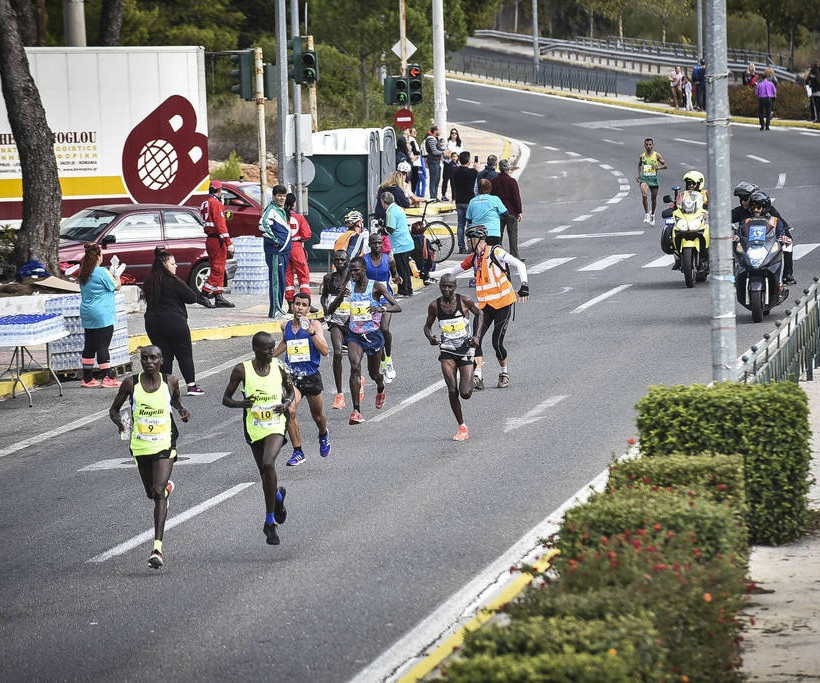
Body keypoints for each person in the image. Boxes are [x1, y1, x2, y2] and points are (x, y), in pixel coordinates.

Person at [109, 345, 190, 568]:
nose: (149, 362)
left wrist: (182, 411)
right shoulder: (130, 384)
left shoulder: (171, 381)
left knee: (158, 492)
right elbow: (113, 410)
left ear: (161, 360)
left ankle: (157, 549)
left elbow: (175, 401)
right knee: (151, 493)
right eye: (145, 358)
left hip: (164, 443)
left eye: (154, 358)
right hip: (140, 446)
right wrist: (120, 422)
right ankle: (166, 489)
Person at [222, 331, 294, 546]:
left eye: (273, 348)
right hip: (254, 426)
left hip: (276, 423)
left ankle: (270, 522)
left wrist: (286, 404)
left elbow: (291, 392)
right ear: (255, 349)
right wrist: (241, 404)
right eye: (267, 349)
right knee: (265, 474)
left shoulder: (279, 368)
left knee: (268, 462)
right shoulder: (241, 370)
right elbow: (226, 399)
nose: (271, 352)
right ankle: (277, 497)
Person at [438, 225, 529, 390]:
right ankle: (478, 376)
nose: (467, 242)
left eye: (470, 239)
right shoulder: (474, 258)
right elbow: (452, 271)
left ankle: (504, 372)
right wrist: (427, 274)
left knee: (497, 342)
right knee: (475, 340)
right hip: (484, 307)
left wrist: (524, 285)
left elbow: (519, 264)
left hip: (503, 304)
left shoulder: (496, 252)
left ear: (478, 239)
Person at [326, 257, 400, 424]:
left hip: (373, 335)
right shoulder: (348, 287)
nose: (352, 274)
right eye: (351, 270)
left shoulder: (376, 287)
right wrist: (339, 297)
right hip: (355, 335)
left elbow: (397, 306)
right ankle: (356, 411)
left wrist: (380, 308)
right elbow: (330, 311)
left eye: (356, 270)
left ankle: (380, 387)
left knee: (374, 374)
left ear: (364, 270)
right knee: (354, 367)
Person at [272, 292, 330, 467]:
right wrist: (269, 356)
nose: (300, 308)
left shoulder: (315, 325)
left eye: (304, 305)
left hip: (311, 376)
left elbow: (325, 351)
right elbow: (285, 342)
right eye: (297, 304)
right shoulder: (285, 326)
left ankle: (323, 433)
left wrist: (311, 333)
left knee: (317, 417)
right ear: (292, 306)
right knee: (290, 410)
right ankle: (298, 452)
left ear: (308, 308)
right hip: (292, 377)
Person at [423, 274, 483, 441]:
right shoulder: (434, 306)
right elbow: (427, 326)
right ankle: (462, 426)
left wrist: (477, 336)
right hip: (447, 351)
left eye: (450, 286)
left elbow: (480, 314)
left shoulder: (464, 301)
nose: (446, 289)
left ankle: (473, 369)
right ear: (440, 286)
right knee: (452, 389)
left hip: (465, 350)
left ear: (455, 287)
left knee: (465, 393)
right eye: (444, 286)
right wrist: (431, 338)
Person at [142, 247, 204, 397]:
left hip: (153, 323)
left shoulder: (148, 281)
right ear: (165, 265)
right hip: (174, 322)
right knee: (184, 354)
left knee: (164, 356)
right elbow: (192, 297)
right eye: (173, 263)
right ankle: (191, 386)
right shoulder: (173, 281)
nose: (175, 266)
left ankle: (164, 387)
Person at [77, 242, 122, 388]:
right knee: (103, 345)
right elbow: (117, 286)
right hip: (102, 313)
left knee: (89, 345)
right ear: (97, 256)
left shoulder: (83, 272)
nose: (102, 257)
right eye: (101, 254)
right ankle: (107, 377)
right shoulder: (102, 271)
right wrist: (117, 274)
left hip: (87, 312)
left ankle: (87, 378)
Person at [737, 189, 795, 284]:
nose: (755, 210)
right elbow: (740, 232)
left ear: (764, 208)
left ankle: (787, 274)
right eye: (753, 207)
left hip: (769, 247)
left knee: (788, 245)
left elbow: (781, 231)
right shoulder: (746, 221)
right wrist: (736, 237)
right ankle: (737, 277)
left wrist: (783, 237)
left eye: (758, 207)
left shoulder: (775, 220)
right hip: (751, 248)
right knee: (736, 249)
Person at [364, 230, 401, 382]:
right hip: (369, 299)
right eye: (374, 243)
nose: (378, 245)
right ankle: (383, 361)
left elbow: (395, 274)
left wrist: (397, 278)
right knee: (375, 331)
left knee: (384, 328)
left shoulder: (389, 260)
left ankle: (389, 360)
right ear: (369, 245)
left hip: (385, 296)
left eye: (380, 243)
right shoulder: (364, 260)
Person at [320, 250, 352, 410]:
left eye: (343, 260)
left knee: (355, 359)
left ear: (348, 261)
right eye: (337, 260)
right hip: (335, 321)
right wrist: (325, 308)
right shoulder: (328, 278)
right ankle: (339, 394)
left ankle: (358, 378)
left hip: (352, 321)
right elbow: (323, 296)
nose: (339, 262)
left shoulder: (353, 277)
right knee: (338, 353)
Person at [199, 179, 234, 308]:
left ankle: (218, 296)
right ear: (219, 191)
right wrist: (228, 243)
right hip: (217, 240)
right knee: (218, 269)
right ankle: (204, 294)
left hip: (211, 239)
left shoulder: (205, 203)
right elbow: (221, 225)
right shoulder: (216, 203)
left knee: (218, 267)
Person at [259, 185, 293, 318]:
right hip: (276, 252)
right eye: (279, 195)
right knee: (276, 281)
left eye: (284, 196)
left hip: (283, 252)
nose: (282, 198)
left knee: (281, 281)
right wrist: (275, 240)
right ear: (273, 196)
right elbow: (262, 225)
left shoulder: (281, 210)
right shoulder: (271, 209)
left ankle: (279, 308)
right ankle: (275, 310)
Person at [283, 193, 313, 312]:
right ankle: (306, 302)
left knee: (287, 276)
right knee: (303, 274)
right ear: (294, 204)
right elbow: (307, 234)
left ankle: (290, 303)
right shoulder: (299, 217)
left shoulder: (281, 215)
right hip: (296, 247)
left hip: (284, 248)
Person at [382, 191, 415, 297]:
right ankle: (409, 289)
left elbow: (390, 229)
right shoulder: (398, 208)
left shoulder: (390, 212)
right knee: (405, 268)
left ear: (383, 202)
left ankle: (403, 291)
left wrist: (382, 229)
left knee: (400, 268)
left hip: (399, 244)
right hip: (406, 242)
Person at [491, 159, 523, 259]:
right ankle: (514, 256)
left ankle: (497, 255)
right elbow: (516, 198)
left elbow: (492, 197)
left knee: (498, 235)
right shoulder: (512, 181)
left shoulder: (494, 181)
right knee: (513, 235)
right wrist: (519, 211)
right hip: (511, 212)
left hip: (498, 213)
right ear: (508, 168)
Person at [466, 178, 508, 247]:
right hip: (493, 232)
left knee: (478, 252)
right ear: (490, 188)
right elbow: (505, 213)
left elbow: (469, 219)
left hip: (477, 234)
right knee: (495, 251)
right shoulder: (495, 199)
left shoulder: (472, 201)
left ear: (478, 189)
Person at [451, 150, 478, 254]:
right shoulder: (472, 172)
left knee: (460, 225)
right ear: (468, 161)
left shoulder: (455, 171)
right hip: (469, 200)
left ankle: (461, 247)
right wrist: (476, 169)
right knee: (470, 224)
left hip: (459, 200)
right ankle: (470, 246)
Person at [636, 137, 668, 224]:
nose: (648, 146)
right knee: (644, 194)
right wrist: (639, 175)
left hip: (653, 180)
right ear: (644, 145)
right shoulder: (642, 156)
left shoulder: (657, 155)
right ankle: (646, 213)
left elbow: (665, 165)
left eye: (650, 144)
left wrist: (659, 167)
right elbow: (639, 165)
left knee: (653, 199)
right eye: (647, 145)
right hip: (644, 179)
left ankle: (652, 214)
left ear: (653, 145)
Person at [424, 125, 445, 199]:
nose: (440, 132)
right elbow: (434, 151)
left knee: (437, 179)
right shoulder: (431, 139)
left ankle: (435, 196)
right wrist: (443, 152)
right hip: (433, 161)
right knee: (433, 179)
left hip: (437, 161)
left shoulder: (435, 139)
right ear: (435, 131)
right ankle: (433, 196)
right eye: (439, 130)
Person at [441, 128, 463, 200]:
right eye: (452, 133)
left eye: (455, 133)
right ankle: (443, 195)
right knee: (445, 179)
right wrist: (450, 155)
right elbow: (444, 154)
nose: (454, 134)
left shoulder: (459, 143)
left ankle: (454, 196)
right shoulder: (448, 142)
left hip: (456, 163)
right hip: (448, 163)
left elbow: (460, 153)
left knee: (454, 181)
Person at [407, 126, 423, 195]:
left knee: (414, 180)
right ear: (410, 133)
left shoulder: (412, 140)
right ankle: (412, 195)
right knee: (413, 180)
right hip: (413, 163)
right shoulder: (411, 140)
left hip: (415, 163)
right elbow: (415, 151)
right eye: (414, 132)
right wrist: (418, 153)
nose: (416, 133)